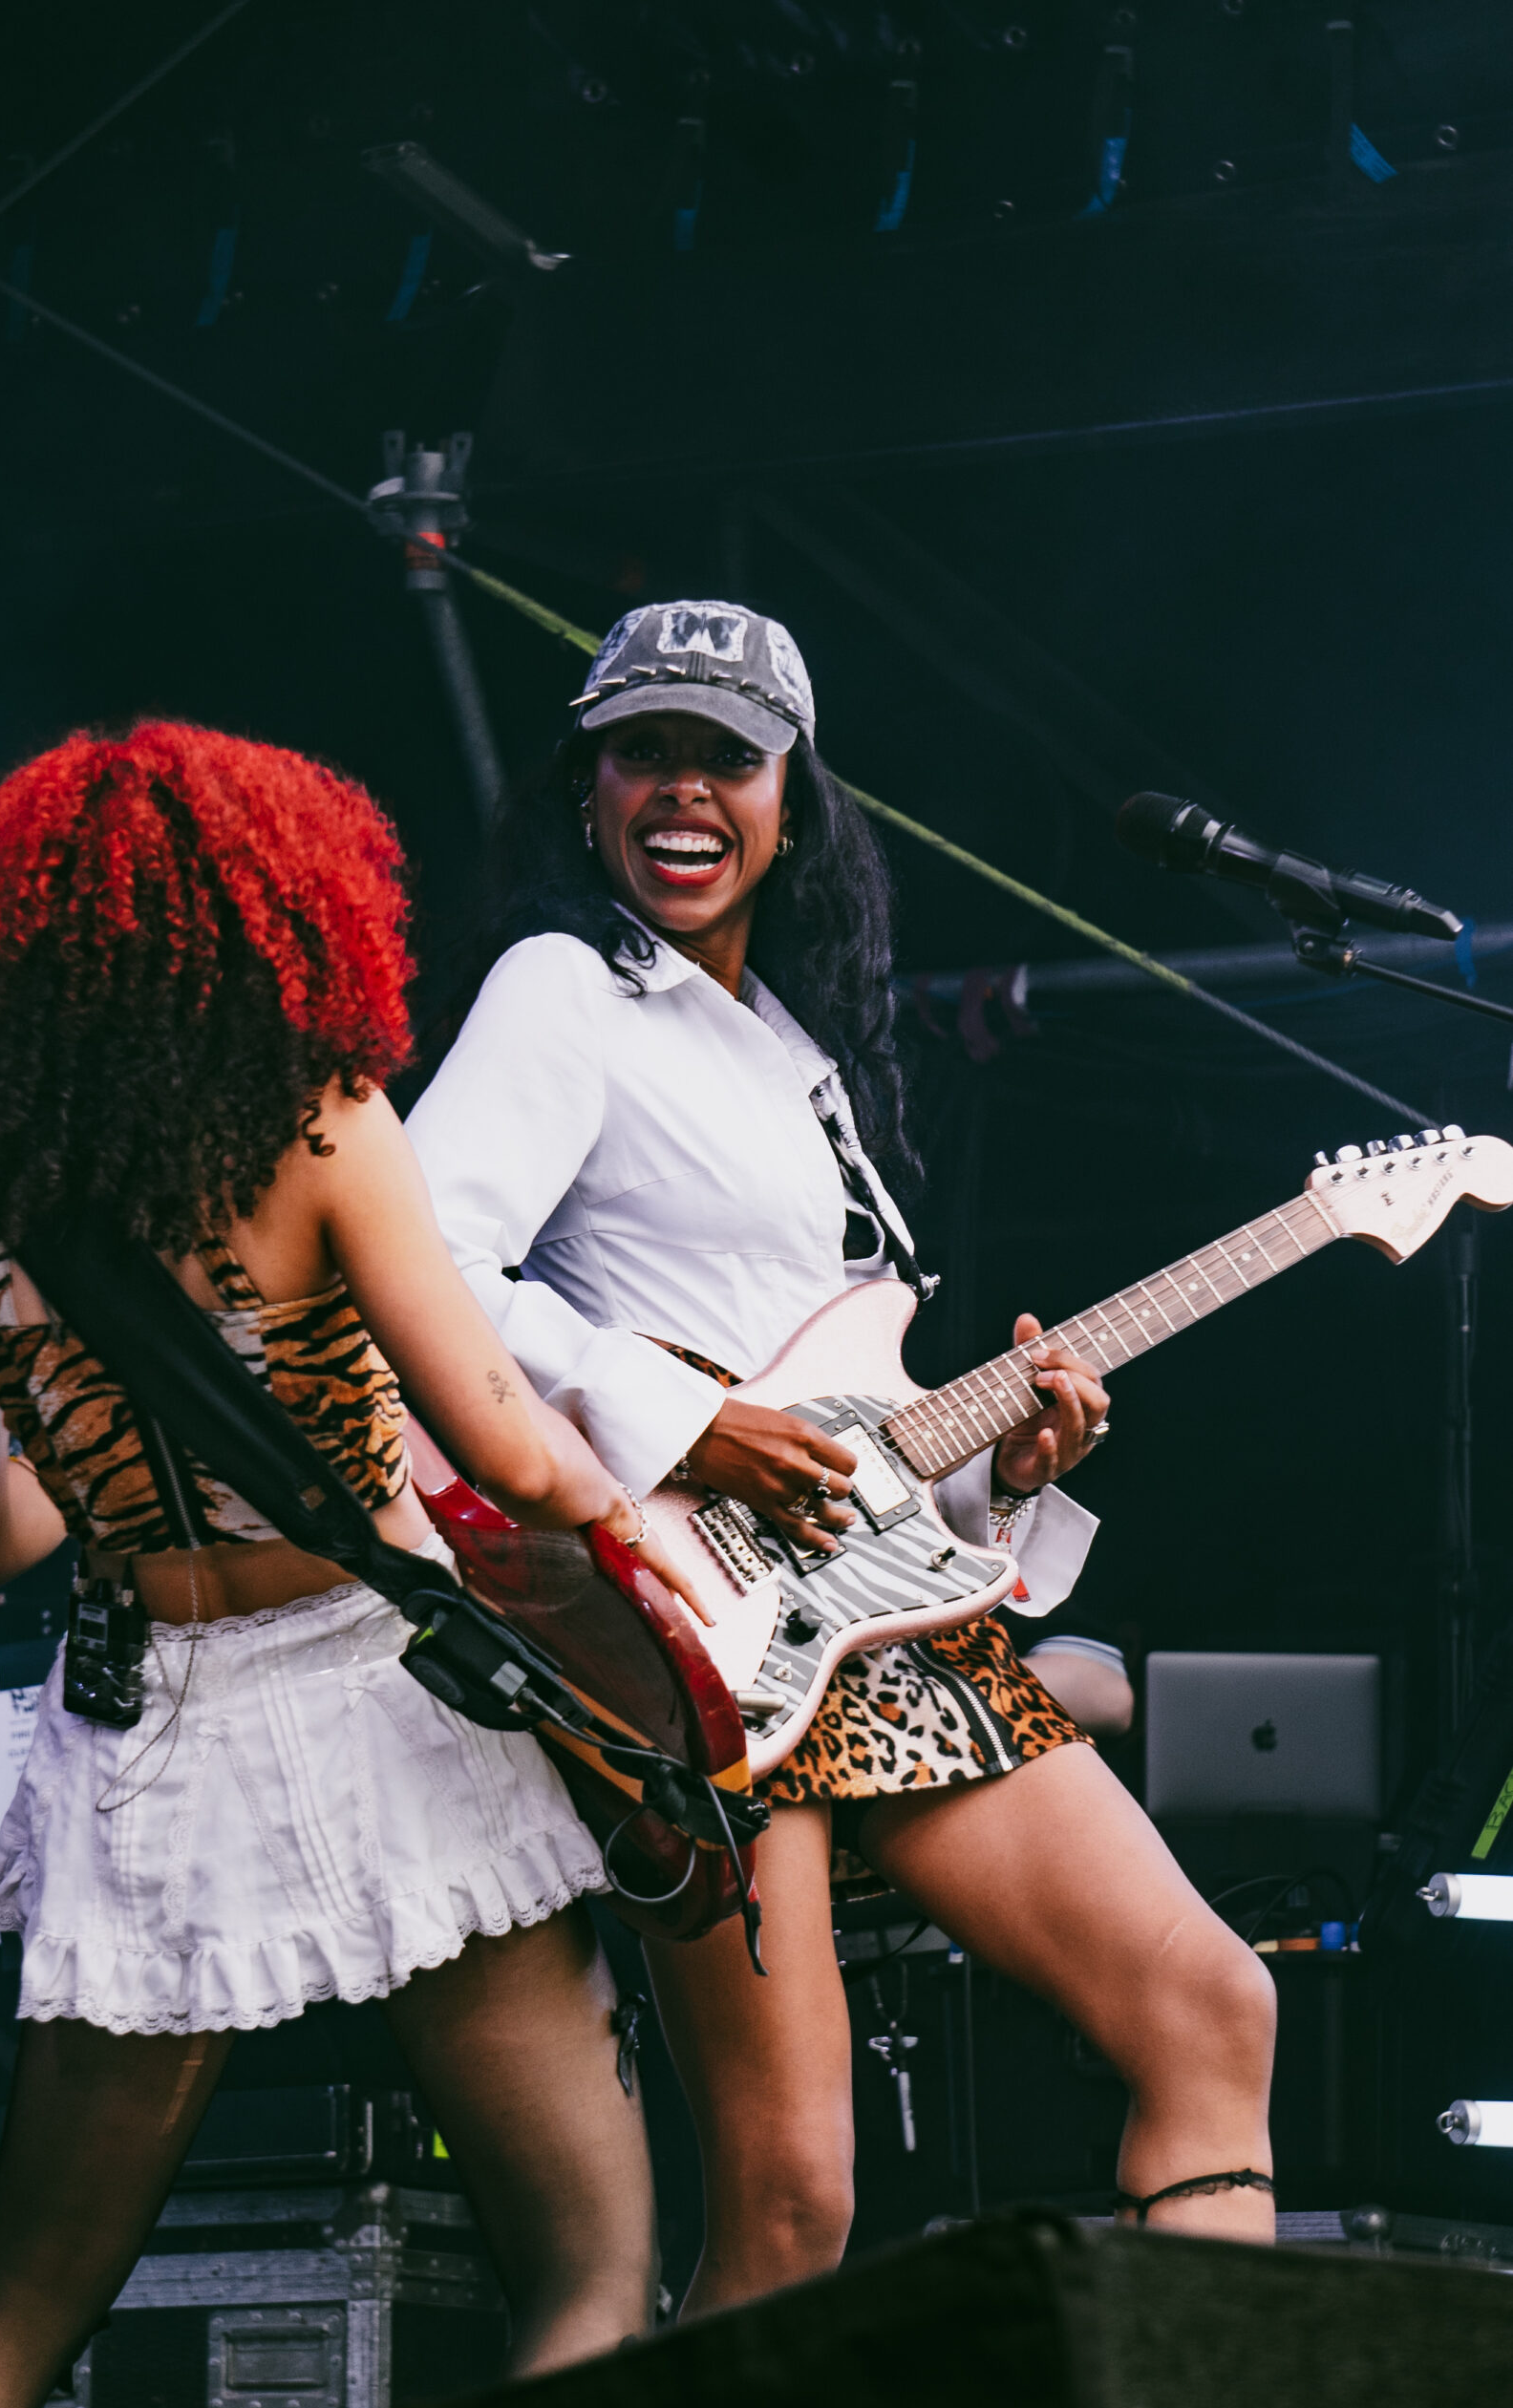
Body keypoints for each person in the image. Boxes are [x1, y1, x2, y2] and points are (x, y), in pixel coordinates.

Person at [407, 600, 1278, 2312]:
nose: (680, 789)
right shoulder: (564, 988)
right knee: (794, 2202)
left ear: (789, 799)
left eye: (723, 757)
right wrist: (687, 1423)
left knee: (1208, 2006)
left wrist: (1002, 1468)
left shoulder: (802, 1058)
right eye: (641, 751)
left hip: (873, 1621)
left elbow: (848, 1434)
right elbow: (426, 1260)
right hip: (694, 1631)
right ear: (585, 789)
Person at [0, 722, 694, 2408]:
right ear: (263, 916)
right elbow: (514, 1448)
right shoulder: (316, 1125)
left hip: (152, 1733)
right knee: (591, 2266)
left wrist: (107, 1452)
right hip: (383, 1693)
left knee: (13, 2304)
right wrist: (665, 1521)